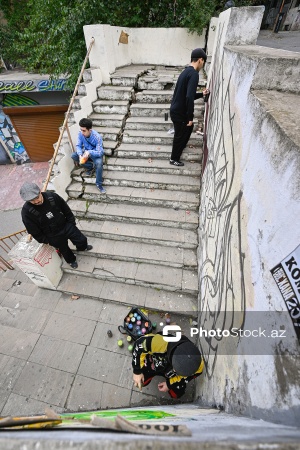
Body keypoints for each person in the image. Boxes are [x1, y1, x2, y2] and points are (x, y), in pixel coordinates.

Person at [20, 182, 92, 269]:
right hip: (53, 235)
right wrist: (47, 241)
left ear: (39, 192)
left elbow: (65, 208)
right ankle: (71, 260)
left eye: (37, 197)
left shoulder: (52, 196)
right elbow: (33, 230)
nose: (36, 201)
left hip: (66, 225)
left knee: (81, 239)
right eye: (32, 200)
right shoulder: (26, 211)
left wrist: (71, 222)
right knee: (64, 250)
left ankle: (82, 247)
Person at [169, 48, 209, 167]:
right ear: (201, 60)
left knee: (184, 132)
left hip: (176, 109)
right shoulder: (194, 74)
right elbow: (189, 97)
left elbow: (188, 94)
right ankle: (174, 158)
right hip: (180, 112)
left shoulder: (185, 71)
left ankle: (177, 153)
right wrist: (190, 117)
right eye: (204, 62)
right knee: (181, 135)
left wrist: (202, 94)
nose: (203, 65)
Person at [132, 333, 203, 398]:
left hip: (166, 369)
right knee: (142, 381)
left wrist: (169, 384)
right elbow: (138, 345)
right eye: (176, 369)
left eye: (178, 371)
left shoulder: (198, 365)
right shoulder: (161, 342)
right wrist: (137, 371)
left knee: (176, 394)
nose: (174, 371)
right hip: (152, 361)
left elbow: (184, 378)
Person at [71, 118, 106, 194]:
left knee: (99, 164)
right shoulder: (80, 134)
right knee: (74, 155)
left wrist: (89, 152)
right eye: (81, 130)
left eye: (84, 130)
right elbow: (78, 145)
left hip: (95, 153)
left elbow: (100, 152)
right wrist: (80, 154)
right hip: (85, 151)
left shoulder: (97, 137)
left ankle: (99, 184)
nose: (82, 132)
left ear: (89, 130)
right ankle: (90, 167)